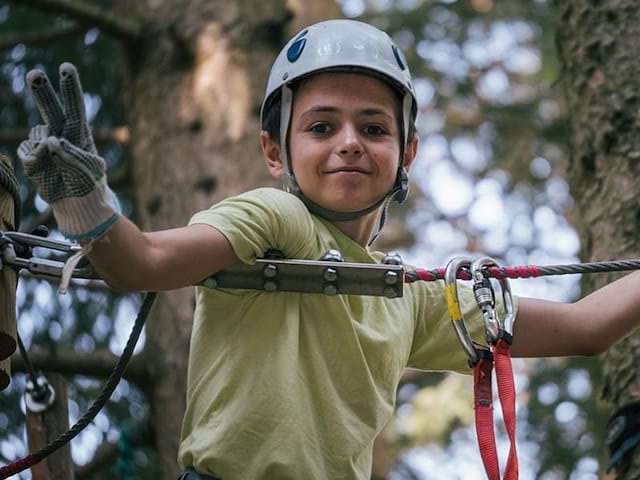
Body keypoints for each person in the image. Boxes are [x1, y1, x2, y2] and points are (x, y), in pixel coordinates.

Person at [16, 19, 640, 480]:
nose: (348, 143)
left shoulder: (411, 295)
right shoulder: (274, 215)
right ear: (274, 151)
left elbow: (584, 328)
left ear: (407, 155)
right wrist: (88, 205)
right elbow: (142, 264)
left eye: (373, 128)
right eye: (321, 127)